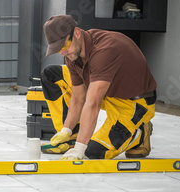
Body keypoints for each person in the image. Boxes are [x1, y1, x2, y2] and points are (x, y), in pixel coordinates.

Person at [40, 14, 157, 160]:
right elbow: (78, 98)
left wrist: (80, 148)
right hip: (105, 91)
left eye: (63, 46)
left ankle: (139, 134)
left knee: (95, 153)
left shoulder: (105, 50)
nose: (62, 52)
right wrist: (66, 130)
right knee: (51, 75)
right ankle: (73, 138)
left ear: (76, 33)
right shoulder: (73, 54)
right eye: (57, 49)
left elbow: (93, 104)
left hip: (132, 103)